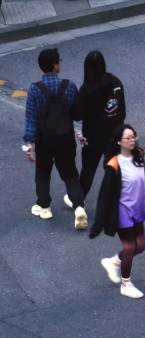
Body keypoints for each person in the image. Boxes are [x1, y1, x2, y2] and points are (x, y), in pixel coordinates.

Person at [23, 48, 88, 230]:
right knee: (70, 174)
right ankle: (79, 206)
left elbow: (31, 118)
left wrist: (30, 143)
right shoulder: (69, 86)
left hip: (44, 140)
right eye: (59, 60)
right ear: (55, 65)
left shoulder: (35, 89)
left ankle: (44, 206)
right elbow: (76, 115)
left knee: (43, 173)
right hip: (65, 138)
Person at [89, 124, 145, 299]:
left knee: (141, 246)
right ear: (119, 142)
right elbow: (105, 195)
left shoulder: (139, 155)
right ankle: (126, 284)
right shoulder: (114, 164)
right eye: (128, 138)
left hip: (137, 210)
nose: (132, 140)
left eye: (134, 136)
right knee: (130, 246)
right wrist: (99, 223)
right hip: (122, 212)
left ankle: (113, 262)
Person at [69, 50, 126, 206]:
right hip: (114, 137)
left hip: (92, 138)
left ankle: (79, 203)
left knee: (87, 171)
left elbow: (77, 115)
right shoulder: (116, 83)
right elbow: (122, 112)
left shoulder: (87, 89)